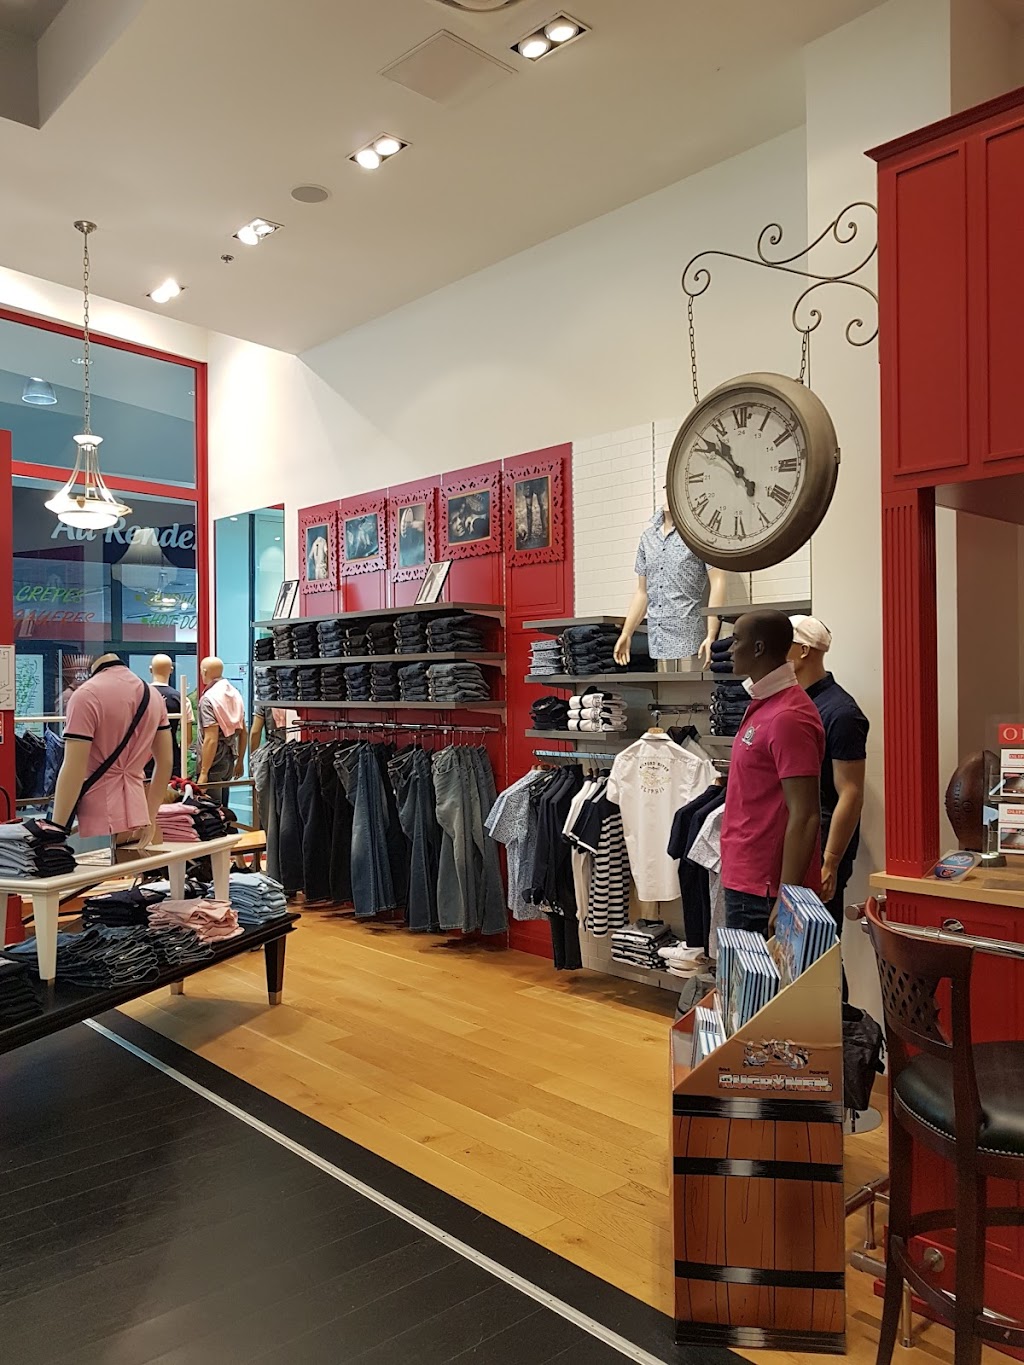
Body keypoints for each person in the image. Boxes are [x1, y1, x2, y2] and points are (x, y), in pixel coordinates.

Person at [720, 610, 825, 935]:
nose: (729, 649)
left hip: (764, 889)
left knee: (765, 970)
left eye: (736, 640)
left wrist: (787, 895)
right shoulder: (764, 705)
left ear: (759, 648)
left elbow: (806, 813)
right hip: (747, 878)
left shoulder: (787, 716)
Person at [788, 615, 869, 932]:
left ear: (803, 650)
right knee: (789, 947)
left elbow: (851, 792)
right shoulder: (794, 702)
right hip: (795, 840)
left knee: (818, 948)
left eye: (785, 645)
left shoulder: (841, 712)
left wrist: (830, 861)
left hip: (820, 844)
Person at [50, 653, 173, 849]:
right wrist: (151, 814)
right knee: (131, 866)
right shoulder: (153, 696)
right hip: (138, 809)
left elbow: (73, 767)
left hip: (96, 811)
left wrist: (55, 830)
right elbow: (166, 762)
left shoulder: (85, 696)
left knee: (91, 865)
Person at [615, 495, 728, 668]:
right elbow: (643, 592)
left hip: (689, 636)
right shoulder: (647, 538)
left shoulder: (699, 534)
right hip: (657, 638)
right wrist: (627, 633)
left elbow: (718, 580)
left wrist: (712, 634)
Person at [197, 657, 247, 808]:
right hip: (229, 759)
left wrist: (204, 772)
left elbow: (211, 739)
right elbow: (243, 731)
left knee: (211, 810)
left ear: (204, 671)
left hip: (213, 761)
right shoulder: (234, 694)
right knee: (224, 808)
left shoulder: (209, 699)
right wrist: (240, 761)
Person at [148, 654, 194, 778]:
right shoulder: (182, 699)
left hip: (142, 757)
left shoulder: (140, 695)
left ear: (150, 669)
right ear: (171, 670)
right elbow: (187, 738)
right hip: (171, 757)